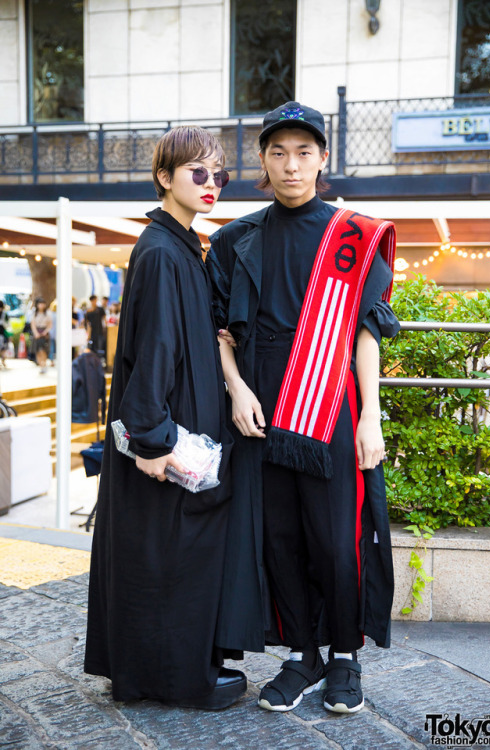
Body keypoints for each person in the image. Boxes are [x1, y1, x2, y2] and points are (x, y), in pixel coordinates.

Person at [207, 102, 400, 715]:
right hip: (260, 408)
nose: (291, 165)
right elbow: (219, 331)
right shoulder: (236, 239)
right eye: (278, 153)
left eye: (304, 152)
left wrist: (369, 415)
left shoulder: (353, 236)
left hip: (329, 407)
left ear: (322, 159)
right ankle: (301, 655)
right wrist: (236, 387)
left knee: (337, 540)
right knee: (278, 538)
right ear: (263, 161)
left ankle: (345, 655)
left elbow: (365, 332)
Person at [84, 125, 246, 710]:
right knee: (168, 555)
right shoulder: (160, 251)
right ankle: (175, 682)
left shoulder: (179, 245)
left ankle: (165, 673)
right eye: (197, 172)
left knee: (169, 554)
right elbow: (151, 350)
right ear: (165, 177)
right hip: (167, 439)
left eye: (219, 174)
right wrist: (153, 442)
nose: (211, 184)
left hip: (178, 432)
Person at [30, 297, 52, 374]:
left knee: (43, 350)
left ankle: (44, 364)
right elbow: (33, 324)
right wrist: (36, 333)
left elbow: (50, 325)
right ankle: (40, 365)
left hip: (44, 334)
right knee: (37, 350)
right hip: (37, 333)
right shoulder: (34, 314)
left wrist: (45, 332)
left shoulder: (47, 314)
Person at [0, 300, 10, 368]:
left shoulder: (4, 314)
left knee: (3, 349)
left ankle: (3, 361)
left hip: (3, 334)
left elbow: (8, 324)